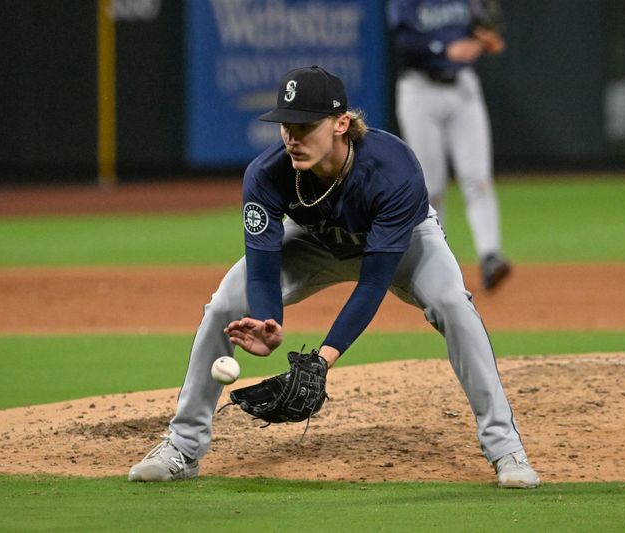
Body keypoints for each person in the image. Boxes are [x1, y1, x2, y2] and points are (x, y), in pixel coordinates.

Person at [128, 65, 540, 488]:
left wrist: (323, 359)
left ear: (342, 124)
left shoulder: (393, 169)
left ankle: (506, 449)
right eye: (287, 125)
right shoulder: (266, 174)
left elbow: (374, 281)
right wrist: (270, 322)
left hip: (402, 242)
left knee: (454, 304)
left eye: (305, 126)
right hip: (316, 240)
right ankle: (183, 444)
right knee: (224, 305)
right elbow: (264, 264)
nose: (292, 137)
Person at [388, 0, 512, 290]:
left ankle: (490, 255)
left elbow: (482, 22)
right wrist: (442, 50)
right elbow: (404, 42)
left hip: (463, 86)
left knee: (478, 178)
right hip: (420, 90)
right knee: (431, 187)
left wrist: (484, 37)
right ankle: (435, 262)